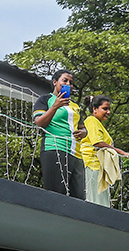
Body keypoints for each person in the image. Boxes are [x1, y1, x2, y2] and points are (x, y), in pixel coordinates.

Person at [33, 70, 87, 198]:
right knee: (56, 194)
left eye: (71, 82)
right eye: (65, 80)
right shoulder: (45, 99)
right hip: (55, 148)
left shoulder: (74, 106)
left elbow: (83, 128)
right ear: (55, 82)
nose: (68, 84)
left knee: (79, 197)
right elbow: (39, 122)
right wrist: (55, 107)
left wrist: (83, 133)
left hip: (76, 153)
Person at [81, 95, 129, 207]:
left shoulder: (97, 123)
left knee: (102, 201)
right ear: (94, 109)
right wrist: (123, 153)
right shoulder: (91, 121)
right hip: (92, 166)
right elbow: (97, 143)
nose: (108, 112)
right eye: (105, 109)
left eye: (109, 109)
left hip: (99, 168)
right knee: (96, 201)